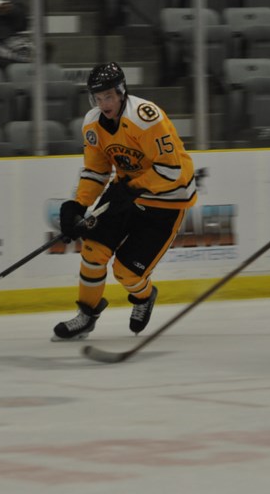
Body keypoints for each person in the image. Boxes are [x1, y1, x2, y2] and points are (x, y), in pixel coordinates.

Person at [53, 62, 198, 341]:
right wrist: (78, 205)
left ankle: (144, 296)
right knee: (93, 250)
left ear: (121, 92)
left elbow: (172, 172)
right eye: (98, 98)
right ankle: (87, 315)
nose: (103, 103)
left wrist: (133, 187)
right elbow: (96, 171)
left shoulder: (146, 117)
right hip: (127, 192)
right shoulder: (92, 124)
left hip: (166, 200)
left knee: (127, 273)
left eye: (108, 96)